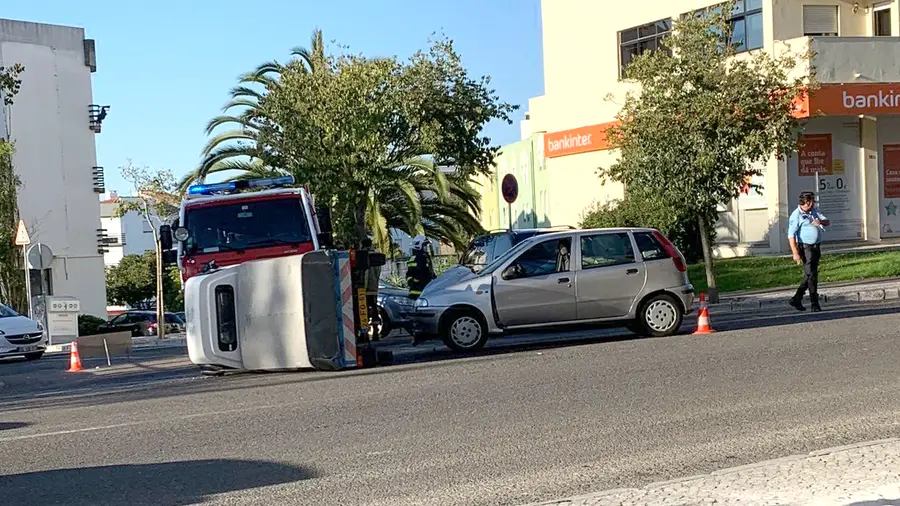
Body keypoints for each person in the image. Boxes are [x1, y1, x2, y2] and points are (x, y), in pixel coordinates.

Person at [787, 191, 830, 312]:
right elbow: (791, 235)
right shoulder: (796, 216)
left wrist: (820, 222)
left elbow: (827, 221)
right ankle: (814, 303)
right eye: (812, 201)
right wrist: (795, 253)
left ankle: (796, 298)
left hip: (816, 247)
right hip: (806, 248)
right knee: (812, 275)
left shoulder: (814, 212)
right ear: (807, 202)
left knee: (809, 274)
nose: (814, 203)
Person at [361, 238, 382, 340]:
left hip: (365, 289)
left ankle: (364, 333)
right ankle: (375, 332)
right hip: (374, 288)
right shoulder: (376, 256)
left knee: (363, 310)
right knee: (374, 309)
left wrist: (363, 288)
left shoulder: (364, 257)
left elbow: (365, 274)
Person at [405, 235, 436, 301]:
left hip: (424, 290)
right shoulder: (420, 258)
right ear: (418, 245)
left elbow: (430, 272)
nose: (426, 248)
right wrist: (416, 280)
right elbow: (413, 273)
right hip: (419, 292)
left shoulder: (423, 257)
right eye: (425, 245)